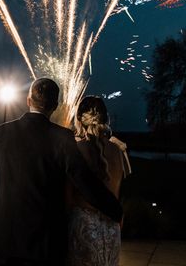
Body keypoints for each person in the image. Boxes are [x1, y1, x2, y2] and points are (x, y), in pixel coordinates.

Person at [0, 78, 123, 266]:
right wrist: (114, 209)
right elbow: (84, 181)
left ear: (28, 100)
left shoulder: (1, 132)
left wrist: (11, 197)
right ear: (55, 106)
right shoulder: (63, 137)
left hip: (7, 236)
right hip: (45, 240)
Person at [65, 96, 132, 266]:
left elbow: (68, 196)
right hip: (112, 228)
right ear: (106, 118)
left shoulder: (75, 149)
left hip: (83, 228)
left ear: (79, 119)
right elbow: (117, 192)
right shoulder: (118, 151)